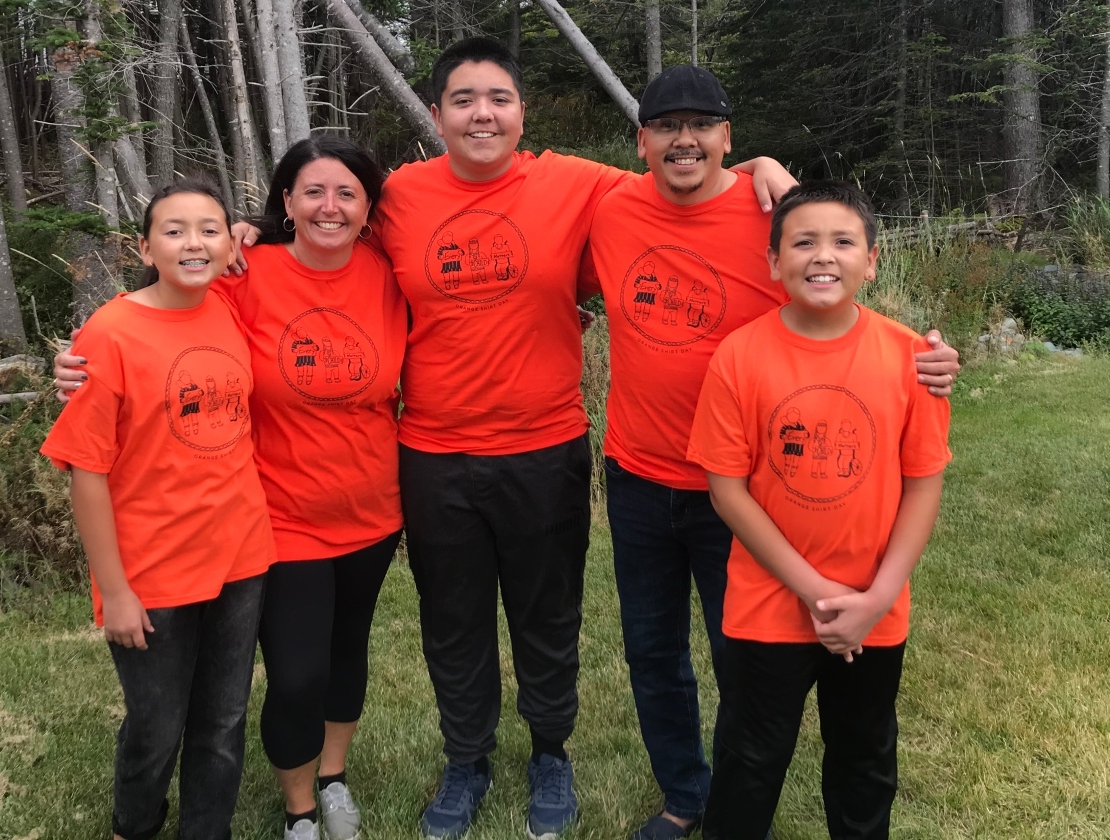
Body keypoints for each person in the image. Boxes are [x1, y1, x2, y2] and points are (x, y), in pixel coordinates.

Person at [226, 38, 792, 840]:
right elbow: (327, 222)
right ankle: (466, 762)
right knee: (452, 623)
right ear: (436, 116)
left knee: (547, 618)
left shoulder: (580, 185)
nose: (482, 113)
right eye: (463, 100)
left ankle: (550, 755)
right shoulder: (401, 198)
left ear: (521, 112)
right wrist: (249, 236)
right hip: (433, 454)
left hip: (545, 445)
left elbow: (688, 172)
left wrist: (768, 164)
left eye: (498, 98)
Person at [578, 66, 959, 840]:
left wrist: (928, 359)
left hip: (750, 490)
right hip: (640, 474)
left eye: (702, 125)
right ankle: (688, 795)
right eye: (666, 125)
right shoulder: (609, 205)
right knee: (653, 656)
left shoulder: (769, 215)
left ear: (728, 137)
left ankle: (741, 796)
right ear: (641, 140)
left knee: (746, 665)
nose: (684, 139)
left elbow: (836, 269)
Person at [54, 137, 408, 840]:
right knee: (251, 689)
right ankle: (236, 814)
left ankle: (299, 793)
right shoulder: (232, 283)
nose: (329, 206)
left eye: (347, 193)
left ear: (370, 208)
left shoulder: (381, 274)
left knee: (289, 683)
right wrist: (74, 363)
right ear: (285, 200)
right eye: (312, 191)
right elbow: (154, 321)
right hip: (245, 530)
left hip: (318, 524)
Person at [686, 181, 951, 839]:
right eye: (802, 242)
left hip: (874, 608)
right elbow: (728, 491)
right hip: (767, 608)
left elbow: (922, 486)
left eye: (842, 241)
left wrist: (875, 598)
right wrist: (816, 591)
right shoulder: (740, 357)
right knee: (750, 759)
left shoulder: (913, 358)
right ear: (773, 262)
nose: (822, 256)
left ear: (873, 260)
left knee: (864, 759)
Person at [40, 179, 275, 840]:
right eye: (174, 231)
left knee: (224, 720)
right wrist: (114, 590)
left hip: (239, 555)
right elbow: (87, 472)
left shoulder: (226, 307)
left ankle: (207, 829)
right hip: (152, 572)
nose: (192, 242)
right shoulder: (111, 332)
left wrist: (253, 230)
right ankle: (134, 827)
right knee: (156, 724)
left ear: (231, 243)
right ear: (144, 247)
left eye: (209, 228)